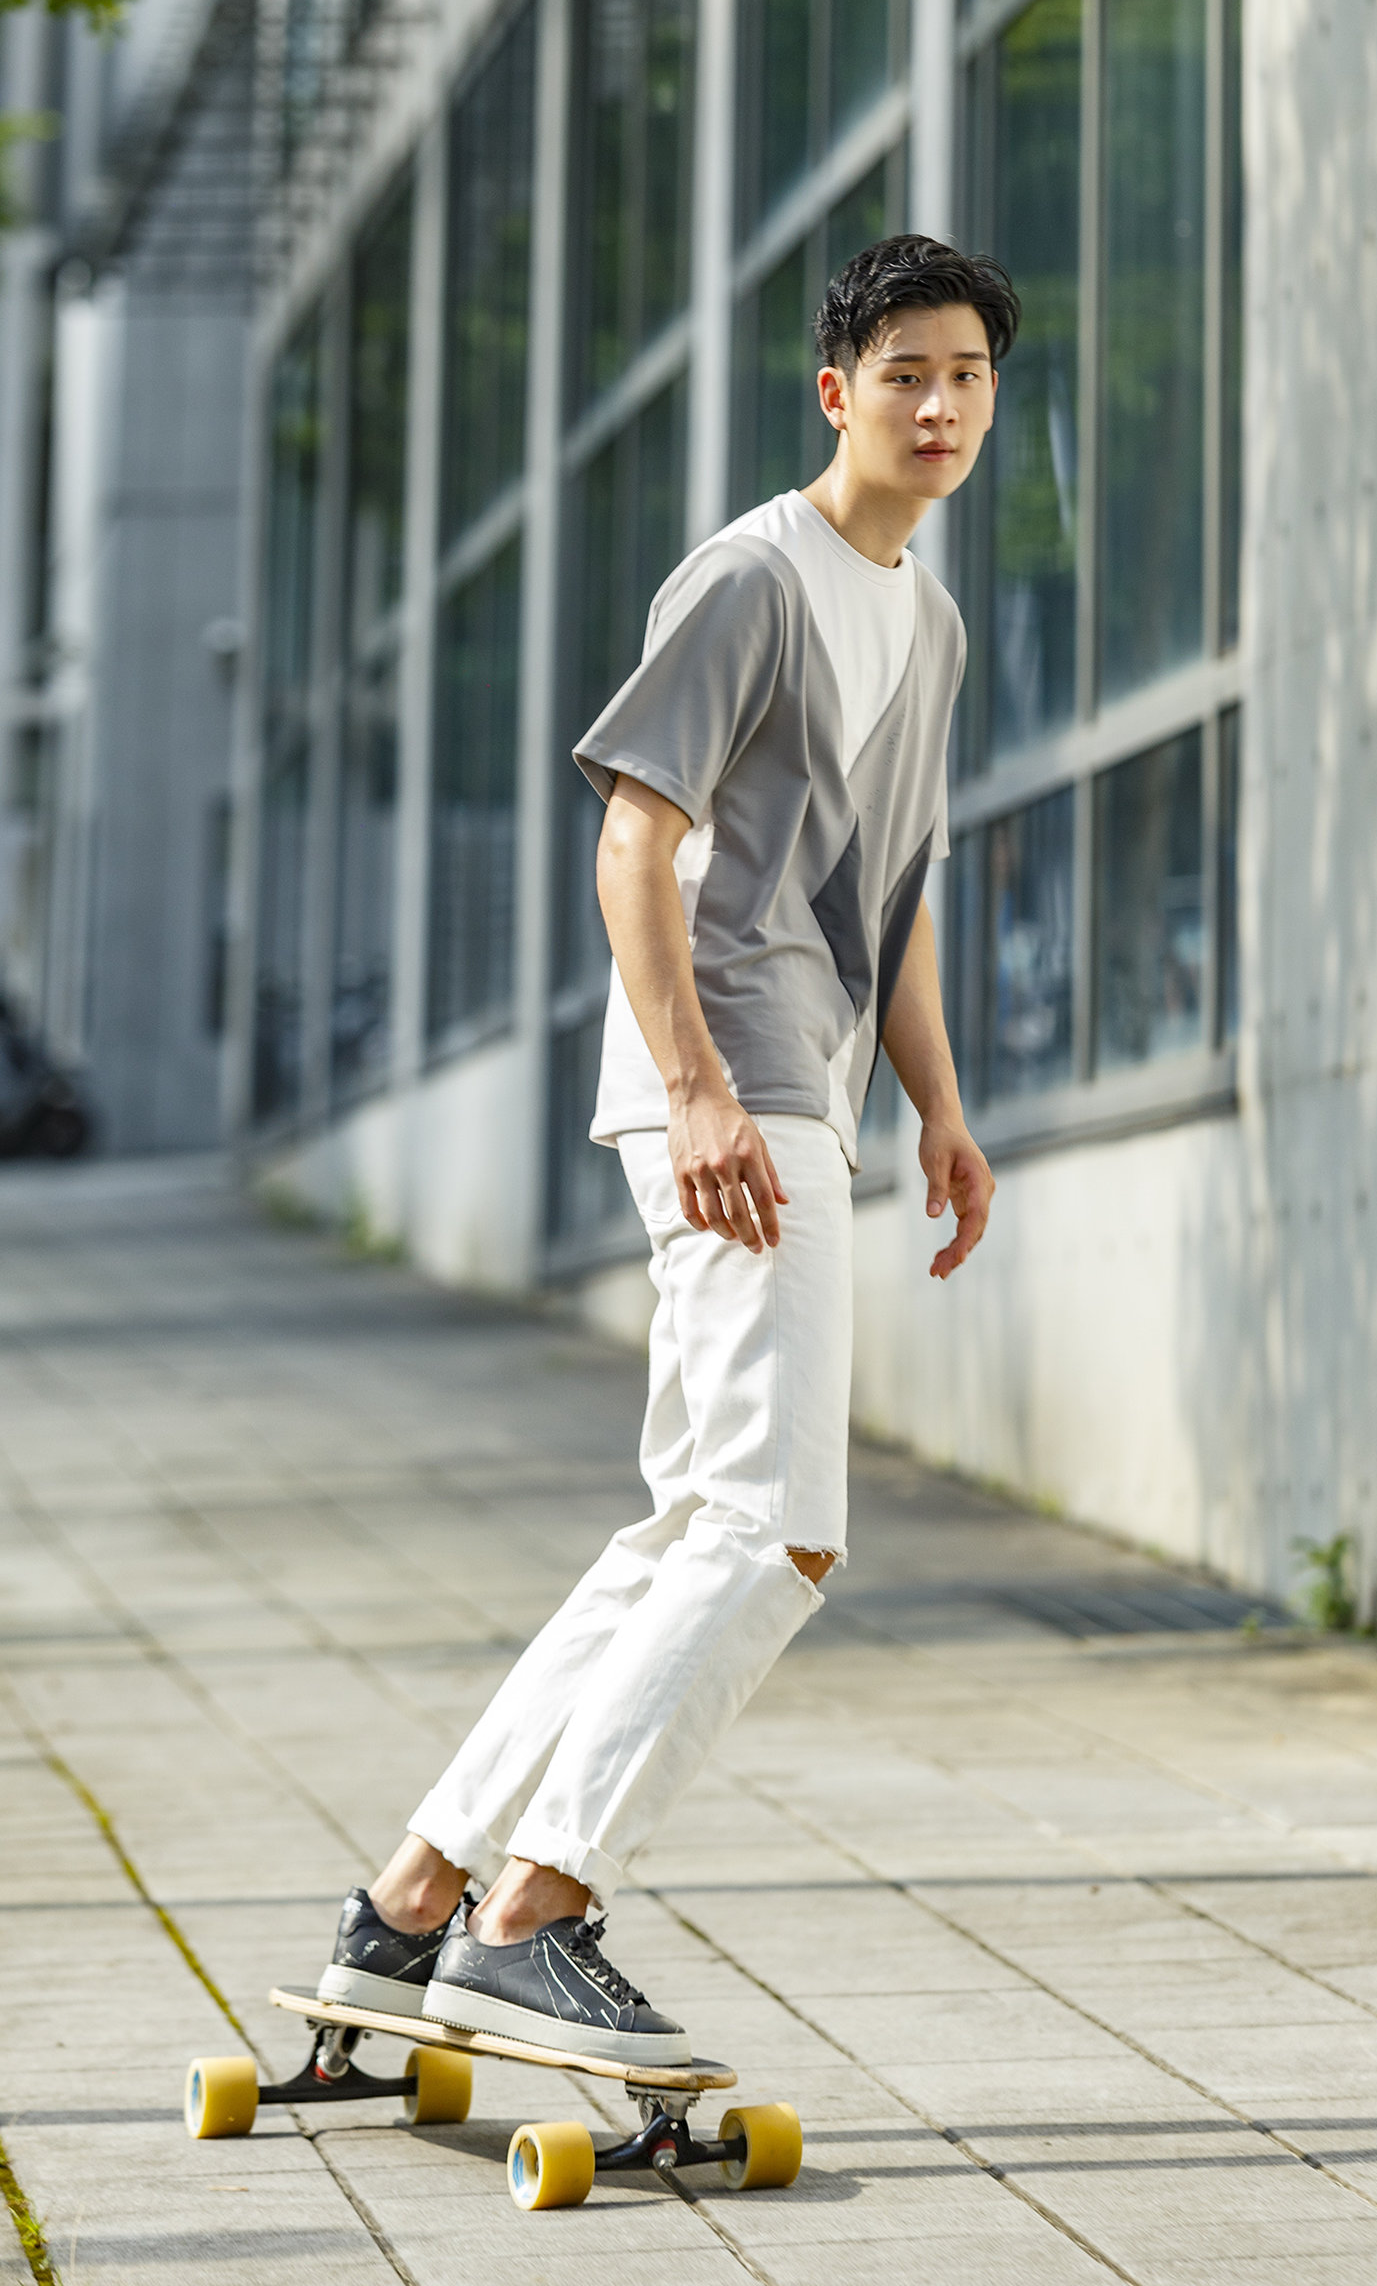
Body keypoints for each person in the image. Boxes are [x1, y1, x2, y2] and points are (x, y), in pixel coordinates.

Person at [316, 234, 1018, 2063]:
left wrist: (940, 1107)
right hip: (730, 1086)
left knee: (695, 1522)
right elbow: (634, 840)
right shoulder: (753, 577)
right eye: (907, 374)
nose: (939, 406)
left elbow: (895, 898)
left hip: (804, 1086)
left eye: (968, 376)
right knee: (783, 1532)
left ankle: (412, 1904)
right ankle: (537, 1912)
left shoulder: (931, 626)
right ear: (837, 392)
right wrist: (700, 1086)